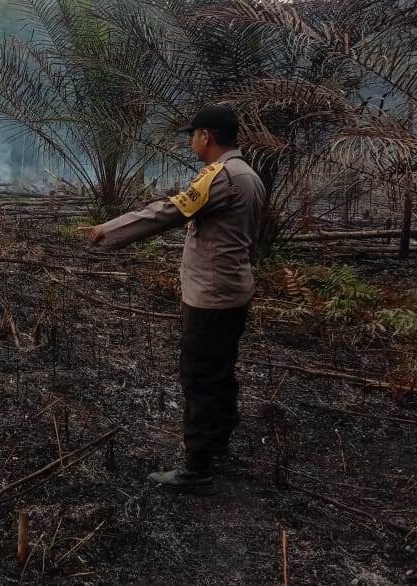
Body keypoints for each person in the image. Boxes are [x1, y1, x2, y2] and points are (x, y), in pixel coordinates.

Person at [88, 104, 265, 493]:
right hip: (235, 291)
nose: (191, 142)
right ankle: (218, 445)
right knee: (220, 372)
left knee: (199, 376)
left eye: (193, 135)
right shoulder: (250, 175)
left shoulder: (220, 176)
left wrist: (111, 230)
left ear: (207, 136)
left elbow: (170, 211)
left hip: (210, 297)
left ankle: (197, 469)